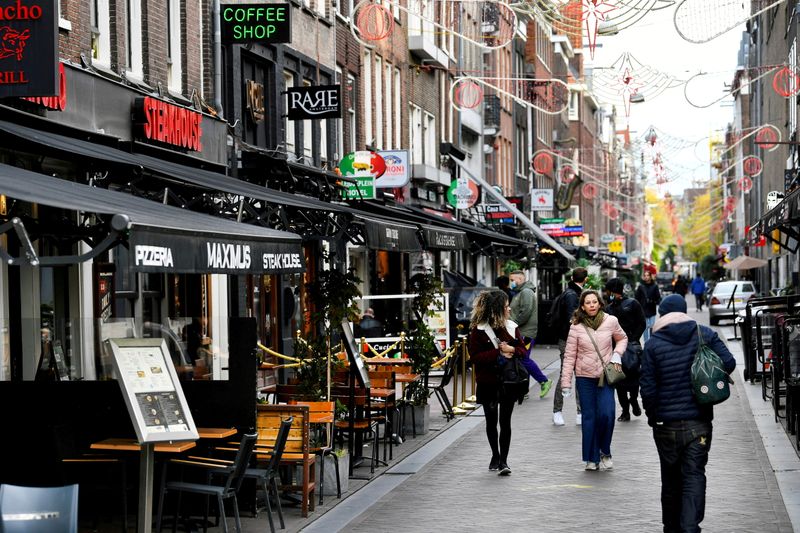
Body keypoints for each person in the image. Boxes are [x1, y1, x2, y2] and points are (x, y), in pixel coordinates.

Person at [640, 294, 736, 533]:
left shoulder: (653, 343)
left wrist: (653, 416)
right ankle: (690, 527)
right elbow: (729, 362)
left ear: (662, 314)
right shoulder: (704, 333)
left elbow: (648, 387)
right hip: (699, 421)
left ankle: (671, 528)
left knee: (670, 479)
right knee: (694, 475)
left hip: (665, 424)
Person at [561, 289, 628, 471]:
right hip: (584, 378)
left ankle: (604, 451)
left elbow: (622, 339)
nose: (591, 305)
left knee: (607, 415)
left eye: (594, 302)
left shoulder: (611, 321)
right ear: (582, 306)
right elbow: (569, 356)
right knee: (589, 418)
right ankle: (592, 458)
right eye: (588, 302)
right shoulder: (576, 326)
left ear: (599, 303)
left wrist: (616, 354)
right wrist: (565, 382)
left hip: (605, 377)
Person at [468, 290, 528, 476]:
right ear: (496, 309)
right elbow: (475, 357)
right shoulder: (478, 330)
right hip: (488, 381)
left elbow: (522, 352)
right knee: (491, 421)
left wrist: (512, 349)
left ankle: (504, 461)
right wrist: (498, 353)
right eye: (505, 305)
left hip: (509, 381)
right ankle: (495, 454)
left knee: (506, 421)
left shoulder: (511, 327)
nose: (509, 308)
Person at [604, 278, 647, 422]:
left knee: (634, 377)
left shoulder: (633, 304)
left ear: (612, 291)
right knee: (619, 380)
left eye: (608, 291)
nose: (606, 293)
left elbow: (642, 323)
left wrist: (633, 339)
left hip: (633, 347)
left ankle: (634, 400)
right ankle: (625, 411)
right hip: (616, 349)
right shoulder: (608, 308)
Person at [508, 270, 553, 399]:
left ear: (520, 279)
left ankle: (544, 381)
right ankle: (524, 390)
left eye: (512, 280)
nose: (511, 283)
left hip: (525, 333)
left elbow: (525, 312)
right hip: (522, 332)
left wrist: (514, 324)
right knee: (522, 360)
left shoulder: (526, 293)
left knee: (523, 359)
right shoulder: (521, 292)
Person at [553, 267, 587, 426]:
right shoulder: (573, 295)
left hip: (565, 339)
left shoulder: (567, 292)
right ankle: (575, 412)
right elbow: (573, 319)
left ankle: (559, 411)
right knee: (573, 374)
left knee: (565, 374)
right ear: (585, 279)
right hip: (570, 340)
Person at [635, 270, 662, 343]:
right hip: (643, 310)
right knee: (645, 327)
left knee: (652, 326)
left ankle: (651, 341)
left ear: (650, 276)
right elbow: (637, 297)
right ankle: (646, 342)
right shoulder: (641, 286)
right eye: (645, 275)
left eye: (648, 275)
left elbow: (658, 297)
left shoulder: (655, 286)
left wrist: (656, 302)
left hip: (652, 309)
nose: (646, 277)